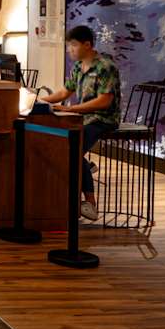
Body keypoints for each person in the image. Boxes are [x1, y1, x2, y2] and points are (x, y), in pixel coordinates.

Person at [41, 25, 119, 221]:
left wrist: (71, 109)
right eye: (69, 45)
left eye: (73, 45)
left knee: (72, 150)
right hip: (82, 117)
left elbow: (104, 101)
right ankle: (85, 166)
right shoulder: (77, 67)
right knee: (63, 146)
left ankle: (90, 203)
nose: (70, 50)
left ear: (87, 45)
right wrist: (39, 101)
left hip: (103, 119)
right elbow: (64, 92)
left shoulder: (105, 67)